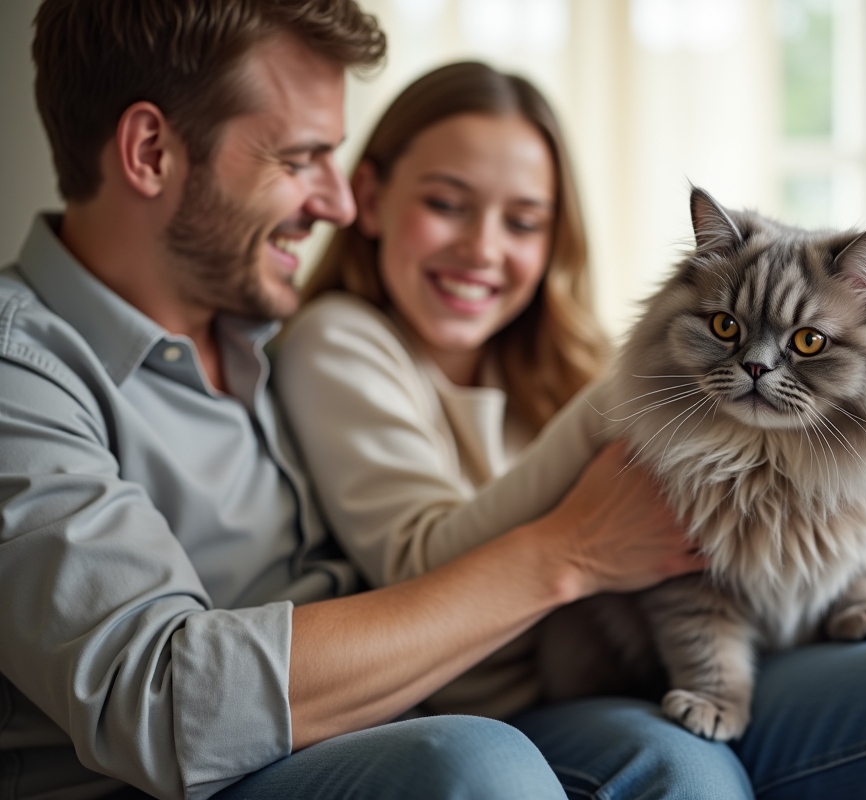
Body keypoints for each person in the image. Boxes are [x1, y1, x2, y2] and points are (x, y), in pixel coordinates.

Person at [274, 60, 866, 799]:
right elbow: (419, 560)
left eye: (524, 220)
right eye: (447, 203)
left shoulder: (545, 346)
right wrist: (635, 401)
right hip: (540, 689)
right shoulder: (342, 342)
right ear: (369, 195)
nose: (485, 248)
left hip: (760, 643)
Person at [0, 3, 705, 800]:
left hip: (390, 727)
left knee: (677, 764)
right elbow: (163, 701)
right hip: (199, 782)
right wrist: (565, 553)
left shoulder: (264, 338)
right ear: (151, 152)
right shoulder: (21, 375)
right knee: (474, 765)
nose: (339, 202)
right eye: (301, 159)